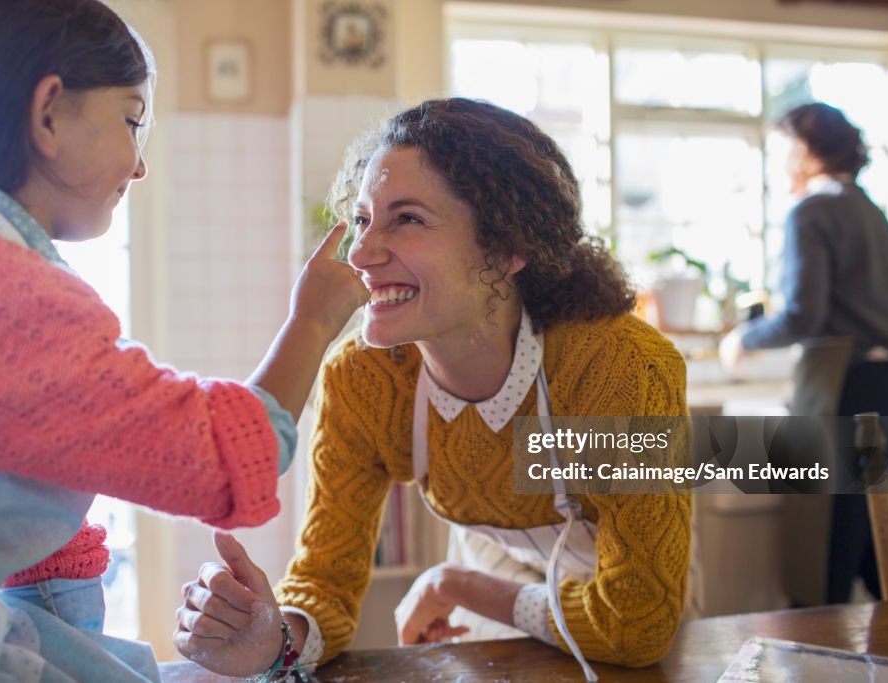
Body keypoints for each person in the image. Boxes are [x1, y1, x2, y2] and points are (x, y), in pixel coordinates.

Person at [0, 0, 367, 680]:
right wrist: (313, 321)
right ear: (49, 113)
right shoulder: (12, 299)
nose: (140, 164)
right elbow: (238, 461)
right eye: (130, 119)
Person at [175, 98, 696, 679]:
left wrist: (456, 584)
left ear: (505, 249)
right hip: (481, 617)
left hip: (617, 615)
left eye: (408, 219)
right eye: (366, 220)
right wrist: (276, 635)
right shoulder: (364, 381)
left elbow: (636, 622)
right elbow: (326, 578)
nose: (361, 254)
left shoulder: (613, 369)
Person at [720, 102, 888, 604]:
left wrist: (741, 339)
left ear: (806, 151)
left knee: (824, 560)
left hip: (845, 392)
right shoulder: (872, 211)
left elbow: (801, 315)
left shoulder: (811, 210)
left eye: (784, 148)